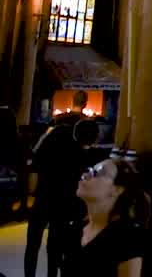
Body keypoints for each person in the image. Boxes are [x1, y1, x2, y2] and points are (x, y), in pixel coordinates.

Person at [26, 119, 98, 277]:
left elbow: (36, 157)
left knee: (34, 243)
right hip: (62, 202)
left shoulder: (57, 132)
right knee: (53, 245)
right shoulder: (82, 152)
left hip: (45, 195)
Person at [61, 157, 148, 277]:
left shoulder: (126, 237)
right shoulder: (75, 229)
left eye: (98, 172)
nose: (86, 175)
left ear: (117, 189)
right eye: (90, 170)